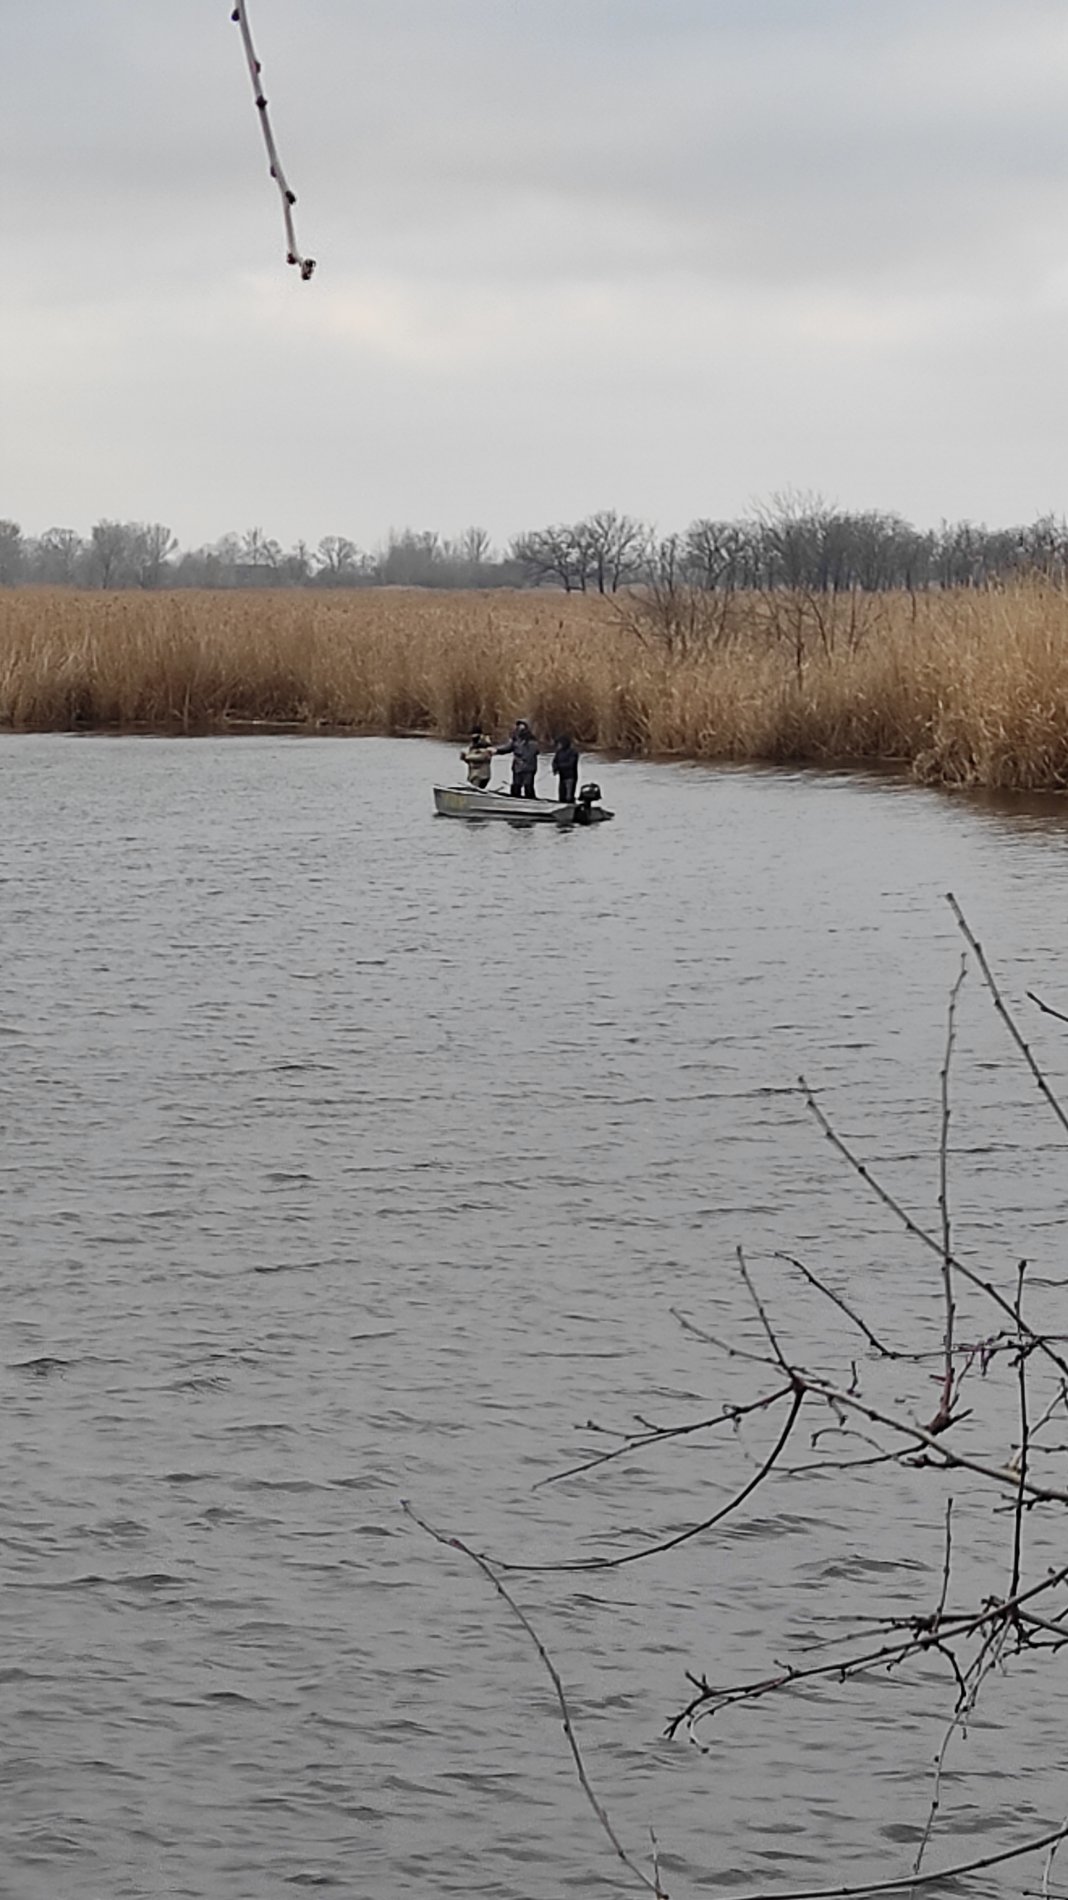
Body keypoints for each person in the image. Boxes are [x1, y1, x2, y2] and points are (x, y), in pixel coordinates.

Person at [495, 719, 539, 798]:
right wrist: (496, 750)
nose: (520, 728)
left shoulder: (532, 741)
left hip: (528, 768)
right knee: (516, 786)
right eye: (519, 726)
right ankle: (514, 799)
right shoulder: (516, 740)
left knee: (528, 786)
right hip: (517, 768)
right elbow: (507, 748)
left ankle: (531, 801)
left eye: (522, 726)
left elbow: (530, 754)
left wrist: (520, 758)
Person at [551, 733, 580, 805]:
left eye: (560, 743)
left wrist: (560, 766)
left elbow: (571, 764)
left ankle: (571, 805)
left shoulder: (573, 752)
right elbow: (555, 761)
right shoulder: (559, 752)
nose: (558, 745)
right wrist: (555, 768)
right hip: (562, 776)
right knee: (562, 794)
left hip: (570, 776)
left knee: (569, 796)